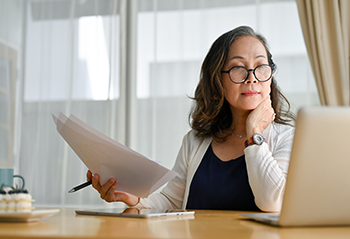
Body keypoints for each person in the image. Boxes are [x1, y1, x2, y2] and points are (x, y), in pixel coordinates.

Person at [87, 26, 295, 212]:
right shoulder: (194, 141)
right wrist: (134, 199)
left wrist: (254, 134)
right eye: (238, 68)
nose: (252, 77)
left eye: (260, 66)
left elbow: (272, 202)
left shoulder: (287, 137)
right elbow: (171, 201)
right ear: (217, 80)